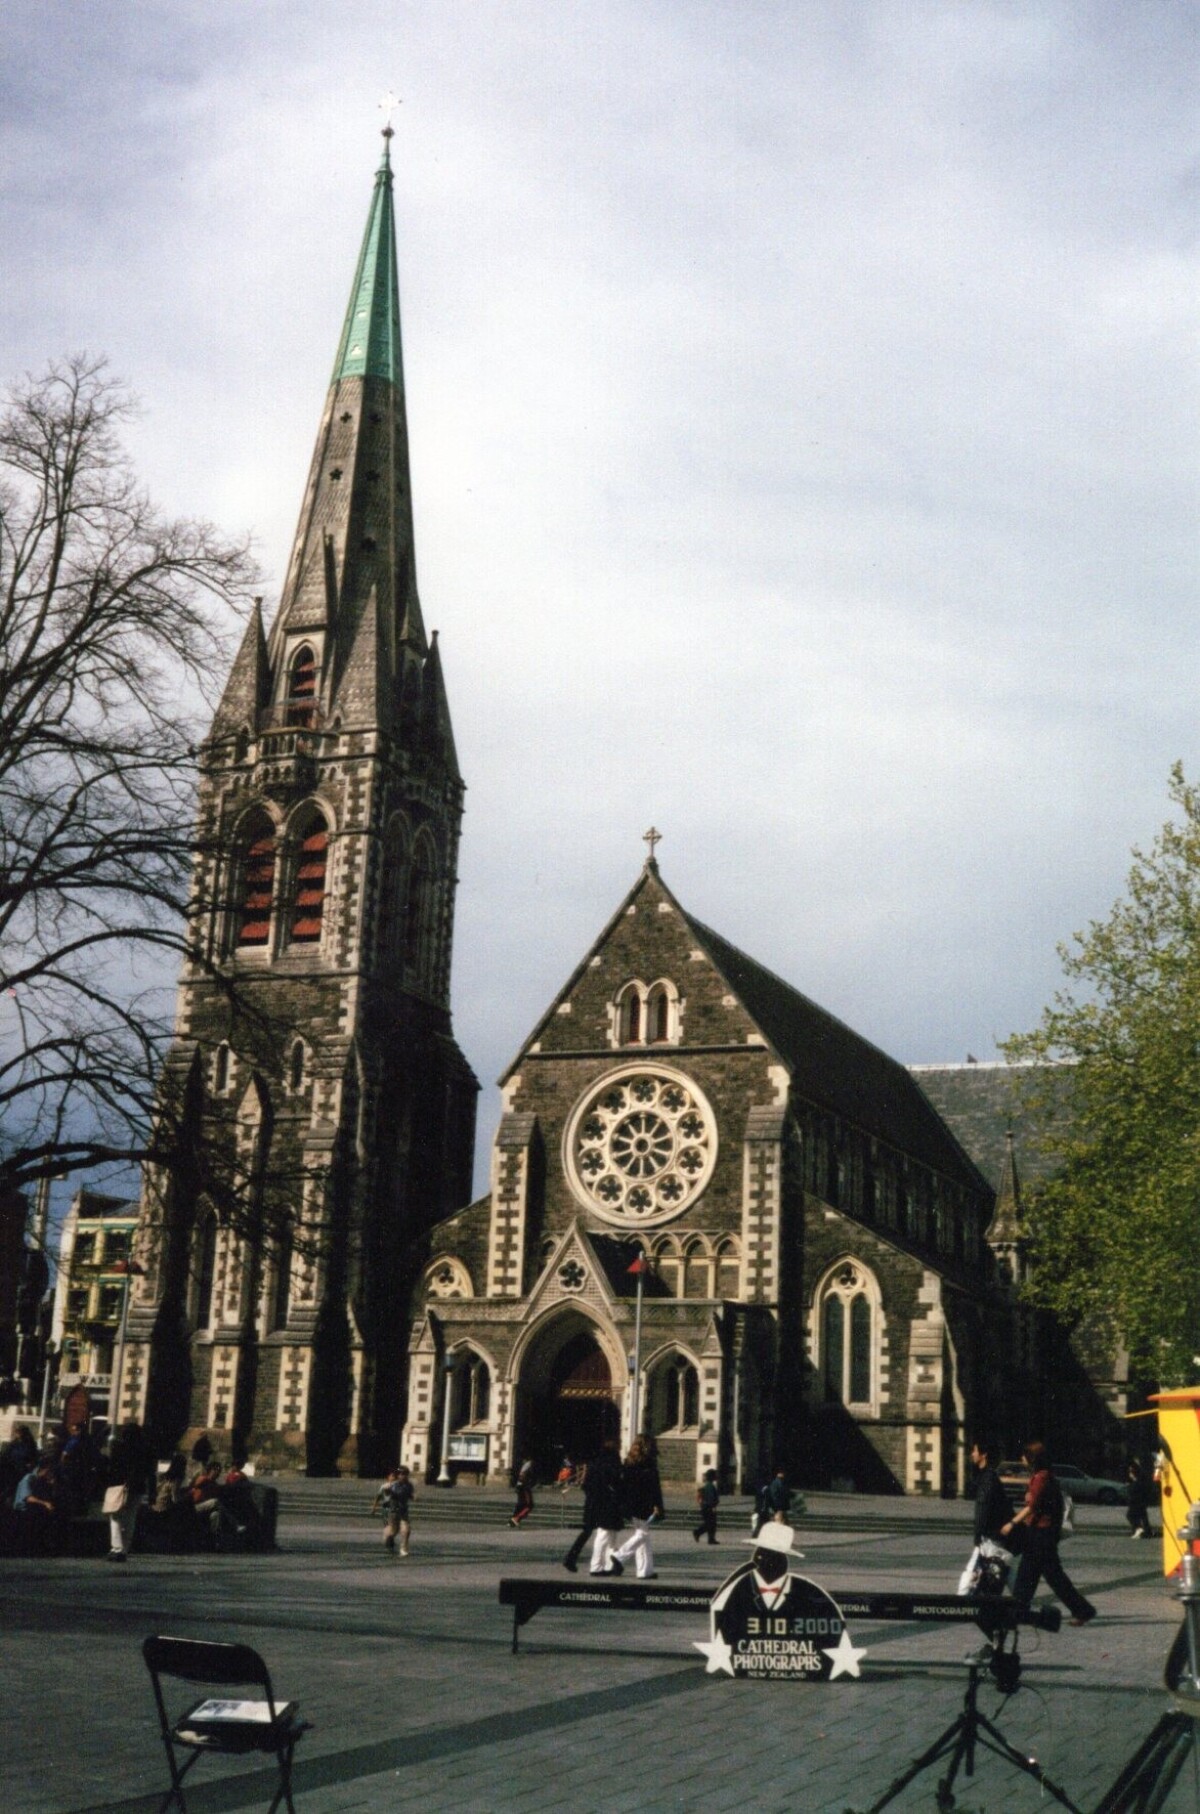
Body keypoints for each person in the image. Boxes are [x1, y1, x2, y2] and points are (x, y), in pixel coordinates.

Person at [1003, 1440, 1096, 1626]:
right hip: (1042, 1534)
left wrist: (1012, 1523)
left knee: (1044, 1576)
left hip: (1040, 1534)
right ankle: (1020, 1610)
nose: (1022, 1459)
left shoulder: (1041, 1478)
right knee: (1033, 1574)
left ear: (1032, 1459)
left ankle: (1083, 1610)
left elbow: (1032, 1506)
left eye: (1025, 1456)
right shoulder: (1043, 1476)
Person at [564, 1438, 624, 1574]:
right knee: (606, 1533)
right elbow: (617, 1482)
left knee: (588, 1531)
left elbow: (585, 1485)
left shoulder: (593, 1463)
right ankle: (602, 1564)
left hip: (592, 1502)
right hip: (605, 1503)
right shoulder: (612, 1463)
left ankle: (571, 1558)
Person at [612, 1436, 664, 1579]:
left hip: (631, 1504)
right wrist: (656, 1505)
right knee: (643, 1535)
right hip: (644, 1505)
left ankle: (645, 1571)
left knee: (644, 1538)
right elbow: (654, 1488)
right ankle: (619, 1556)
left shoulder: (629, 1462)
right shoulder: (648, 1464)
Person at [104, 1419, 156, 1562]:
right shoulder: (146, 1449)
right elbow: (151, 1474)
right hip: (137, 1487)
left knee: (115, 1516)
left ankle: (117, 1548)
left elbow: (112, 1468)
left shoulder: (118, 1447)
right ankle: (124, 1549)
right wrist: (152, 1494)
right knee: (130, 1519)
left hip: (119, 1486)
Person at [375, 1466, 414, 1556]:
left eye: (405, 1474)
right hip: (394, 1511)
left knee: (406, 1529)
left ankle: (403, 1548)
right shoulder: (394, 1485)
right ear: (398, 1475)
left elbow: (409, 1494)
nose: (403, 1476)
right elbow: (388, 1493)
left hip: (403, 1511)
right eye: (401, 1474)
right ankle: (389, 1537)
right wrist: (388, 1491)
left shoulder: (409, 1485)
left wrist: (413, 1497)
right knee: (394, 1531)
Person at [0, 1423, 39, 1507]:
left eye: (19, 1432)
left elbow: (34, 1457)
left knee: (15, 1486)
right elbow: (5, 1454)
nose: (17, 1434)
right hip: (11, 1467)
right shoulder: (14, 1443)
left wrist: (29, 1464)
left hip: (22, 1469)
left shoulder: (30, 1444)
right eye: (17, 1432)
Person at [1126, 1457, 1153, 1539]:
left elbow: (1132, 1493)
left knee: (1130, 1515)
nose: (1129, 1473)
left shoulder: (1136, 1483)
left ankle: (1139, 1529)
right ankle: (1147, 1531)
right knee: (1143, 1515)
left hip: (1135, 1502)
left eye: (1130, 1472)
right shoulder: (1141, 1480)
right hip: (1141, 1501)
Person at [693, 1468, 720, 1545]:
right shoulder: (711, 1486)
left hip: (705, 1507)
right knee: (710, 1524)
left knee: (711, 1524)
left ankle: (711, 1539)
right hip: (708, 1507)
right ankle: (698, 1532)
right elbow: (711, 1498)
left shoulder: (707, 1485)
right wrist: (713, 1506)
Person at [509, 1458, 535, 1528]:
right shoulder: (526, 1467)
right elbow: (523, 1478)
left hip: (522, 1490)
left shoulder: (524, 1468)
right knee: (528, 1506)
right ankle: (515, 1519)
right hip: (524, 1489)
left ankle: (513, 1521)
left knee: (520, 1506)